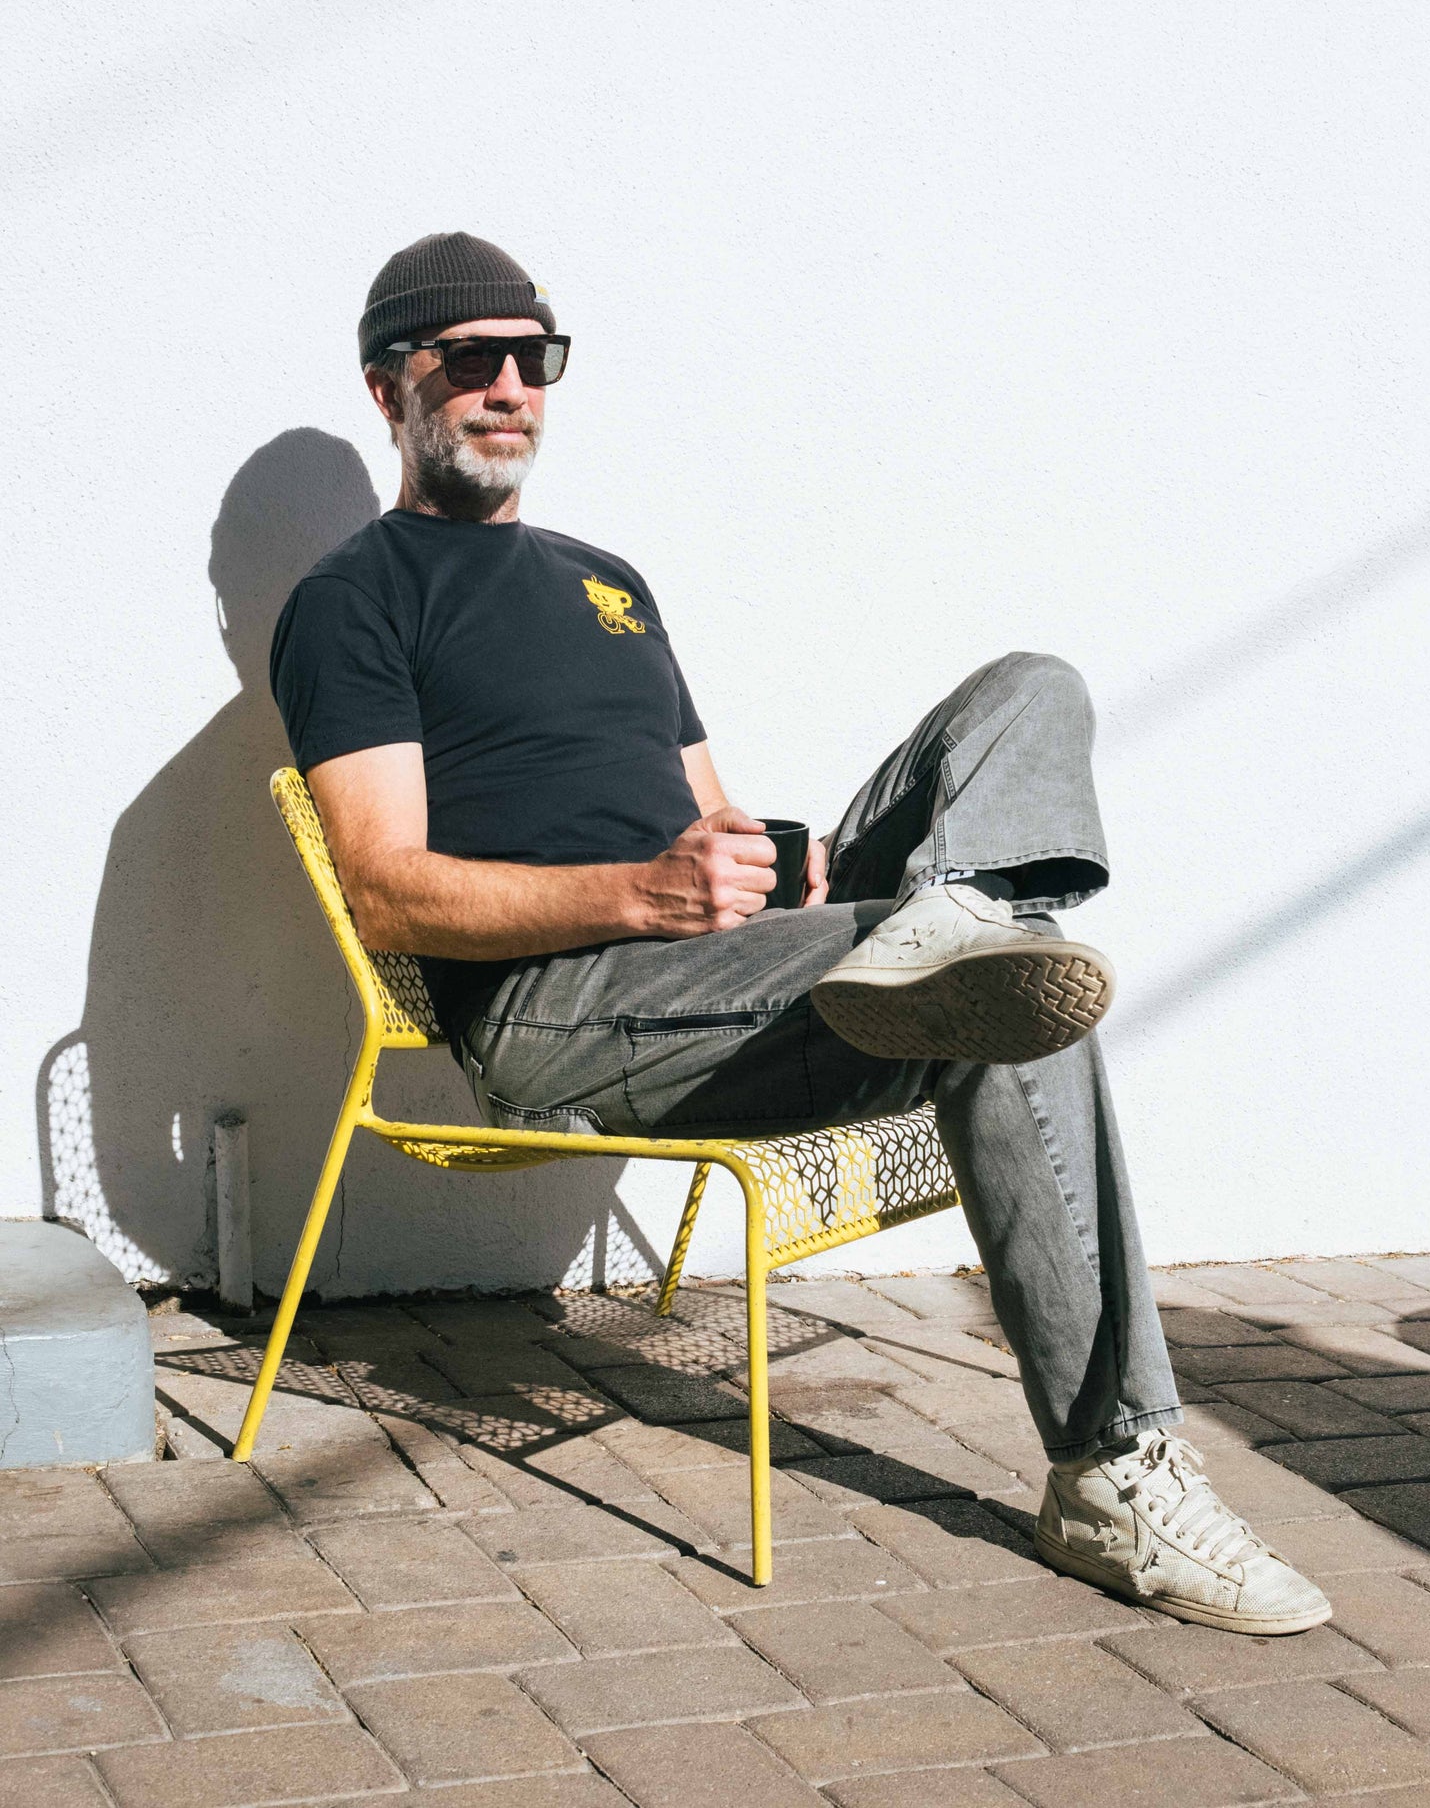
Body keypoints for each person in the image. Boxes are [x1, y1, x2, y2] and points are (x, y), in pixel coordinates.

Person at [270, 231, 1331, 1635]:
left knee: (1029, 692)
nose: (511, 386)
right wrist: (642, 896)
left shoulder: (612, 581)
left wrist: (786, 867)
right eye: (473, 360)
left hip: (718, 962)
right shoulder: (355, 599)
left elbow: (706, 809)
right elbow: (387, 889)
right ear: (388, 386)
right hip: (562, 1001)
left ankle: (943, 919)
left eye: (537, 357)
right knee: (1000, 986)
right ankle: (1115, 1471)